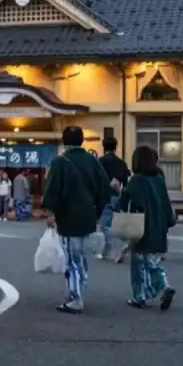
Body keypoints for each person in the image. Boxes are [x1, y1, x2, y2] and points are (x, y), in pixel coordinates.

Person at [42, 126, 111, 314]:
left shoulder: (60, 161)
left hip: (68, 215)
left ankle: (75, 296)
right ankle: (80, 285)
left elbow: (53, 188)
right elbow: (104, 187)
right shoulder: (92, 160)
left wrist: (51, 212)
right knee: (80, 255)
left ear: (64, 141)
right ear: (82, 140)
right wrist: (96, 210)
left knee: (71, 257)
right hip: (88, 213)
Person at [117, 145, 177, 310]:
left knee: (138, 264)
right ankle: (164, 285)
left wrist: (118, 191)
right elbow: (166, 206)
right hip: (159, 227)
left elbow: (127, 202)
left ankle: (140, 296)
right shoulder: (159, 180)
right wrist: (168, 223)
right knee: (153, 262)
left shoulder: (136, 180)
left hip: (141, 225)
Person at [97, 136, 131, 261]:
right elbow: (127, 179)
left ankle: (120, 244)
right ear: (115, 147)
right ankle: (107, 250)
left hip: (105, 195)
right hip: (118, 195)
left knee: (105, 225)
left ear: (104, 146)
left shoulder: (100, 161)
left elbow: (97, 179)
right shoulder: (121, 163)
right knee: (112, 223)